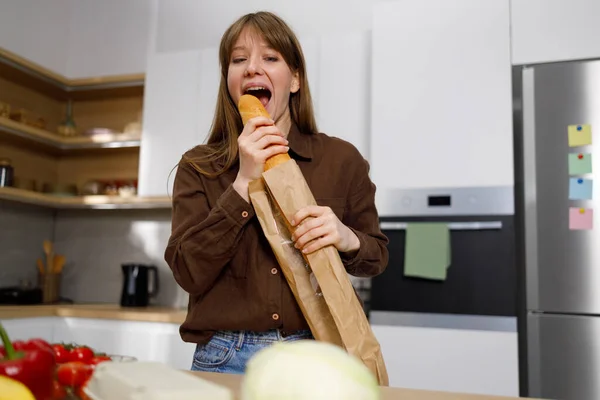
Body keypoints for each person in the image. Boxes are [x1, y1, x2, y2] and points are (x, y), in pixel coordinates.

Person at [164, 11, 389, 374]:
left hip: (318, 352)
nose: (253, 68)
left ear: (295, 79)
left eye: (270, 58)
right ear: (229, 80)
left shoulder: (341, 159)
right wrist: (242, 184)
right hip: (225, 355)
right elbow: (188, 271)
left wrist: (346, 238)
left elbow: (376, 256)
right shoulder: (199, 166)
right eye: (239, 60)